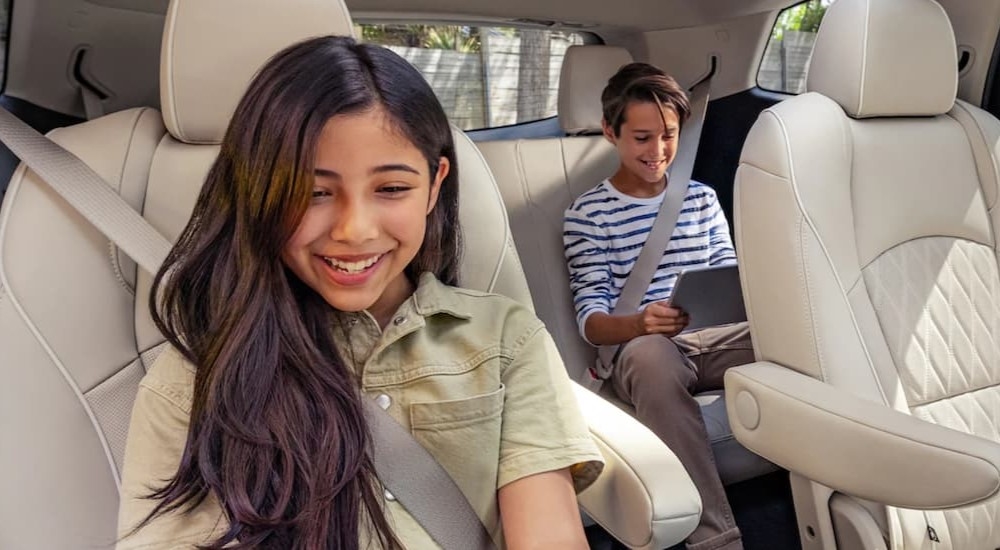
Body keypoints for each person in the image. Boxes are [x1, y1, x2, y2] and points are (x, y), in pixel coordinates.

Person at [117, 35, 603, 550]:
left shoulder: (507, 341)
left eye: (391, 189)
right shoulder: (204, 370)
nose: (354, 229)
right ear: (259, 194)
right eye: (311, 193)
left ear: (436, 184)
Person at [563, 62, 752, 550]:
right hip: (644, 348)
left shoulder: (701, 199)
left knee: (803, 332)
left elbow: (728, 274)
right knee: (650, 356)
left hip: (716, 336)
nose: (658, 151)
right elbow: (593, 322)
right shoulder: (588, 214)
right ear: (611, 132)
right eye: (643, 137)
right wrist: (642, 322)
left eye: (668, 135)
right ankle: (717, 541)